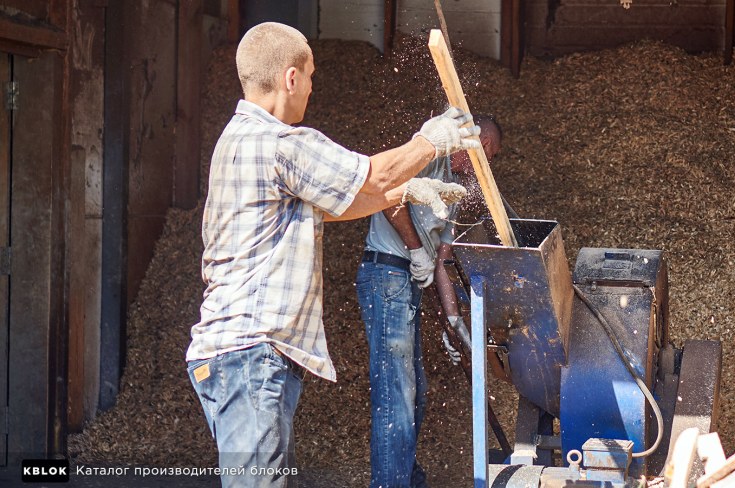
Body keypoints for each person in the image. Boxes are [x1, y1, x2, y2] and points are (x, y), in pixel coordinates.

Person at [185, 22, 481, 488]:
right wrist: (432, 141)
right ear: (290, 79)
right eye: (311, 75)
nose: (312, 87)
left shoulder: (236, 138)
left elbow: (339, 202)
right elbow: (371, 177)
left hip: (233, 352)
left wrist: (408, 189)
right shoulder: (280, 143)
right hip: (251, 350)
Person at [355, 116, 503, 488]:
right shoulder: (429, 154)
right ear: (480, 146)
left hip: (407, 282)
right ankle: (393, 483)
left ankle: (406, 477)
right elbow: (387, 196)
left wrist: (454, 322)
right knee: (397, 395)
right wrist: (415, 249)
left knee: (414, 393)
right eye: (490, 156)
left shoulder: (453, 192)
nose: (489, 166)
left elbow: (441, 261)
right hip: (386, 274)